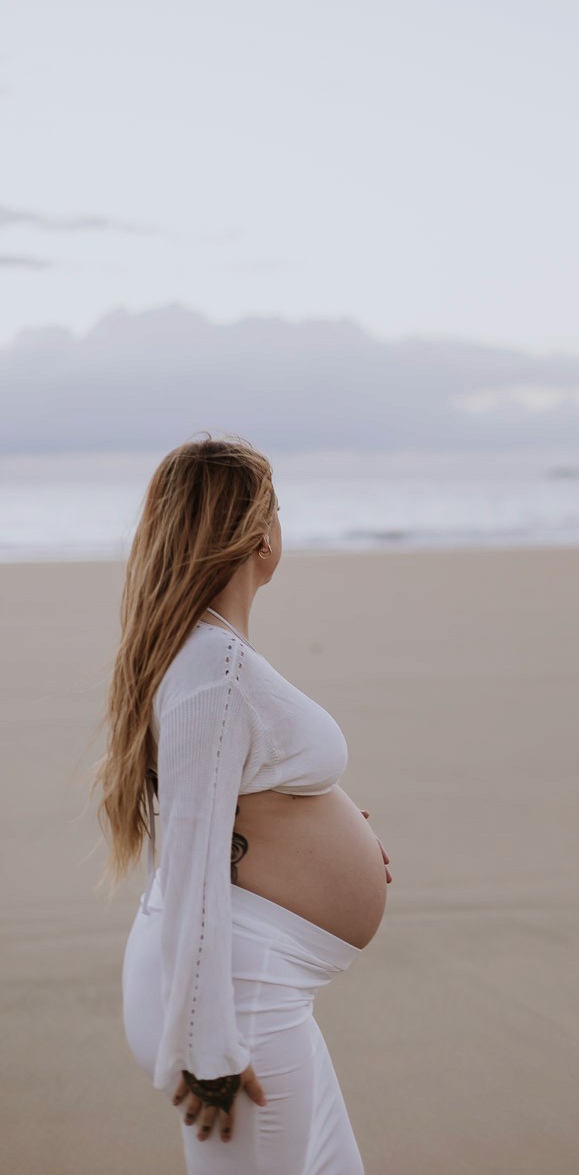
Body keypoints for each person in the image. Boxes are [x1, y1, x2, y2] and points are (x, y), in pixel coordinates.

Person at [93, 434, 391, 1174]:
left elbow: (229, 812)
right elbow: (193, 857)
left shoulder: (207, 654)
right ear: (262, 533)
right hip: (235, 999)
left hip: (248, 985)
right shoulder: (211, 668)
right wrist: (209, 1051)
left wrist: (333, 825)